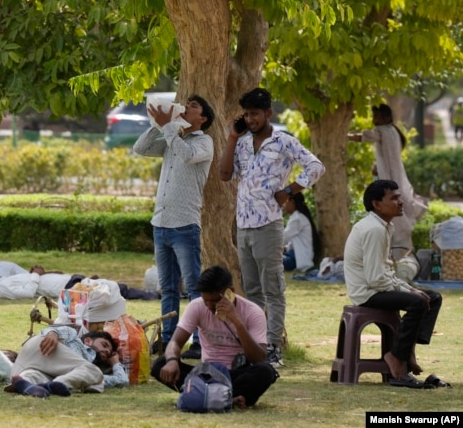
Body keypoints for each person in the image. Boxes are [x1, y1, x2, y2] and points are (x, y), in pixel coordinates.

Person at [218, 87, 325, 367]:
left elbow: (315, 167)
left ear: (268, 113)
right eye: (247, 115)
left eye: (255, 114)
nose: (250, 119)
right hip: (244, 226)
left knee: (273, 291)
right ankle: (256, 347)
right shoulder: (241, 143)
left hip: (268, 225)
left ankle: (274, 348)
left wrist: (289, 190)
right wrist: (232, 137)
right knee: (251, 291)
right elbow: (224, 174)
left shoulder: (284, 142)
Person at [132, 94, 216, 359]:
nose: (186, 109)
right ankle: (168, 341)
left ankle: (199, 342)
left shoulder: (204, 142)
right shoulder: (171, 137)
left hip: (185, 225)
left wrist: (169, 127)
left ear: (202, 118)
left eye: (192, 107)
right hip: (161, 224)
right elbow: (141, 148)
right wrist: (158, 124)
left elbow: (187, 155)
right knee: (168, 288)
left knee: (194, 287)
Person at [343, 179, 442, 387]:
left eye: (399, 197)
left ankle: (406, 351)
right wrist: (410, 292)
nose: (400, 202)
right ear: (377, 205)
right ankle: (397, 357)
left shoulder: (383, 226)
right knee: (418, 303)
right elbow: (376, 279)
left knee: (433, 297)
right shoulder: (374, 230)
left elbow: (385, 273)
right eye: (394, 198)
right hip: (368, 292)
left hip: (377, 286)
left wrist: (410, 288)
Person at [151, 266, 278, 409]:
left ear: (230, 292)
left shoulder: (253, 312)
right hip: (206, 373)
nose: (210, 306)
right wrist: (173, 361)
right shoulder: (197, 306)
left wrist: (237, 321)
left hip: (236, 374)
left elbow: (258, 358)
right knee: (160, 364)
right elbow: (175, 342)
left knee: (265, 371)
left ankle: (202, 395)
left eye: (215, 300)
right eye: (206, 300)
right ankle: (227, 398)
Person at [348, 103, 428, 258]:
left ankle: (397, 259)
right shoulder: (393, 132)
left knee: (395, 223)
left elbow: (365, 137)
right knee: (398, 223)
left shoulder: (382, 131)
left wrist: (345, 136)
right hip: (396, 180)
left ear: (385, 117)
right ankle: (402, 259)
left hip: (388, 182)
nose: (374, 120)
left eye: (376, 116)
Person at [8, 325, 128, 397]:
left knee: (34, 376)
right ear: (88, 341)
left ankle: (26, 384)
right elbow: (57, 330)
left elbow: (122, 381)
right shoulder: (74, 337)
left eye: (109, 351)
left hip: (26, 368)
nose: (107, 351)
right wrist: (53, 333)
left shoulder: (83, 371)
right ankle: (61, 383)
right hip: (39, 346)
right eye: (104, 344)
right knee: (95, 373)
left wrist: (115, 363)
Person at [0, 265, 159, 300]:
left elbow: (30, 284)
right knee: (115, 288)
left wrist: (44, 273)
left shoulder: (3, 284)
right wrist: (36, 275)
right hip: (64, 287)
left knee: (110, 286)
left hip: (64, 281)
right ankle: (152, 295)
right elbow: (27, 293)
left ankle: (151, 295)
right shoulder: (1, 287)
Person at [282, 192, 321, 272]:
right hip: (293, 256)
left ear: (292, 202)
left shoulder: (298, 218)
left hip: (296, 259)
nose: (283, 205)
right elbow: (291, 244)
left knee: (266, 258)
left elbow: (283, 238)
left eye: (285, 202)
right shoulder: (297, 217)